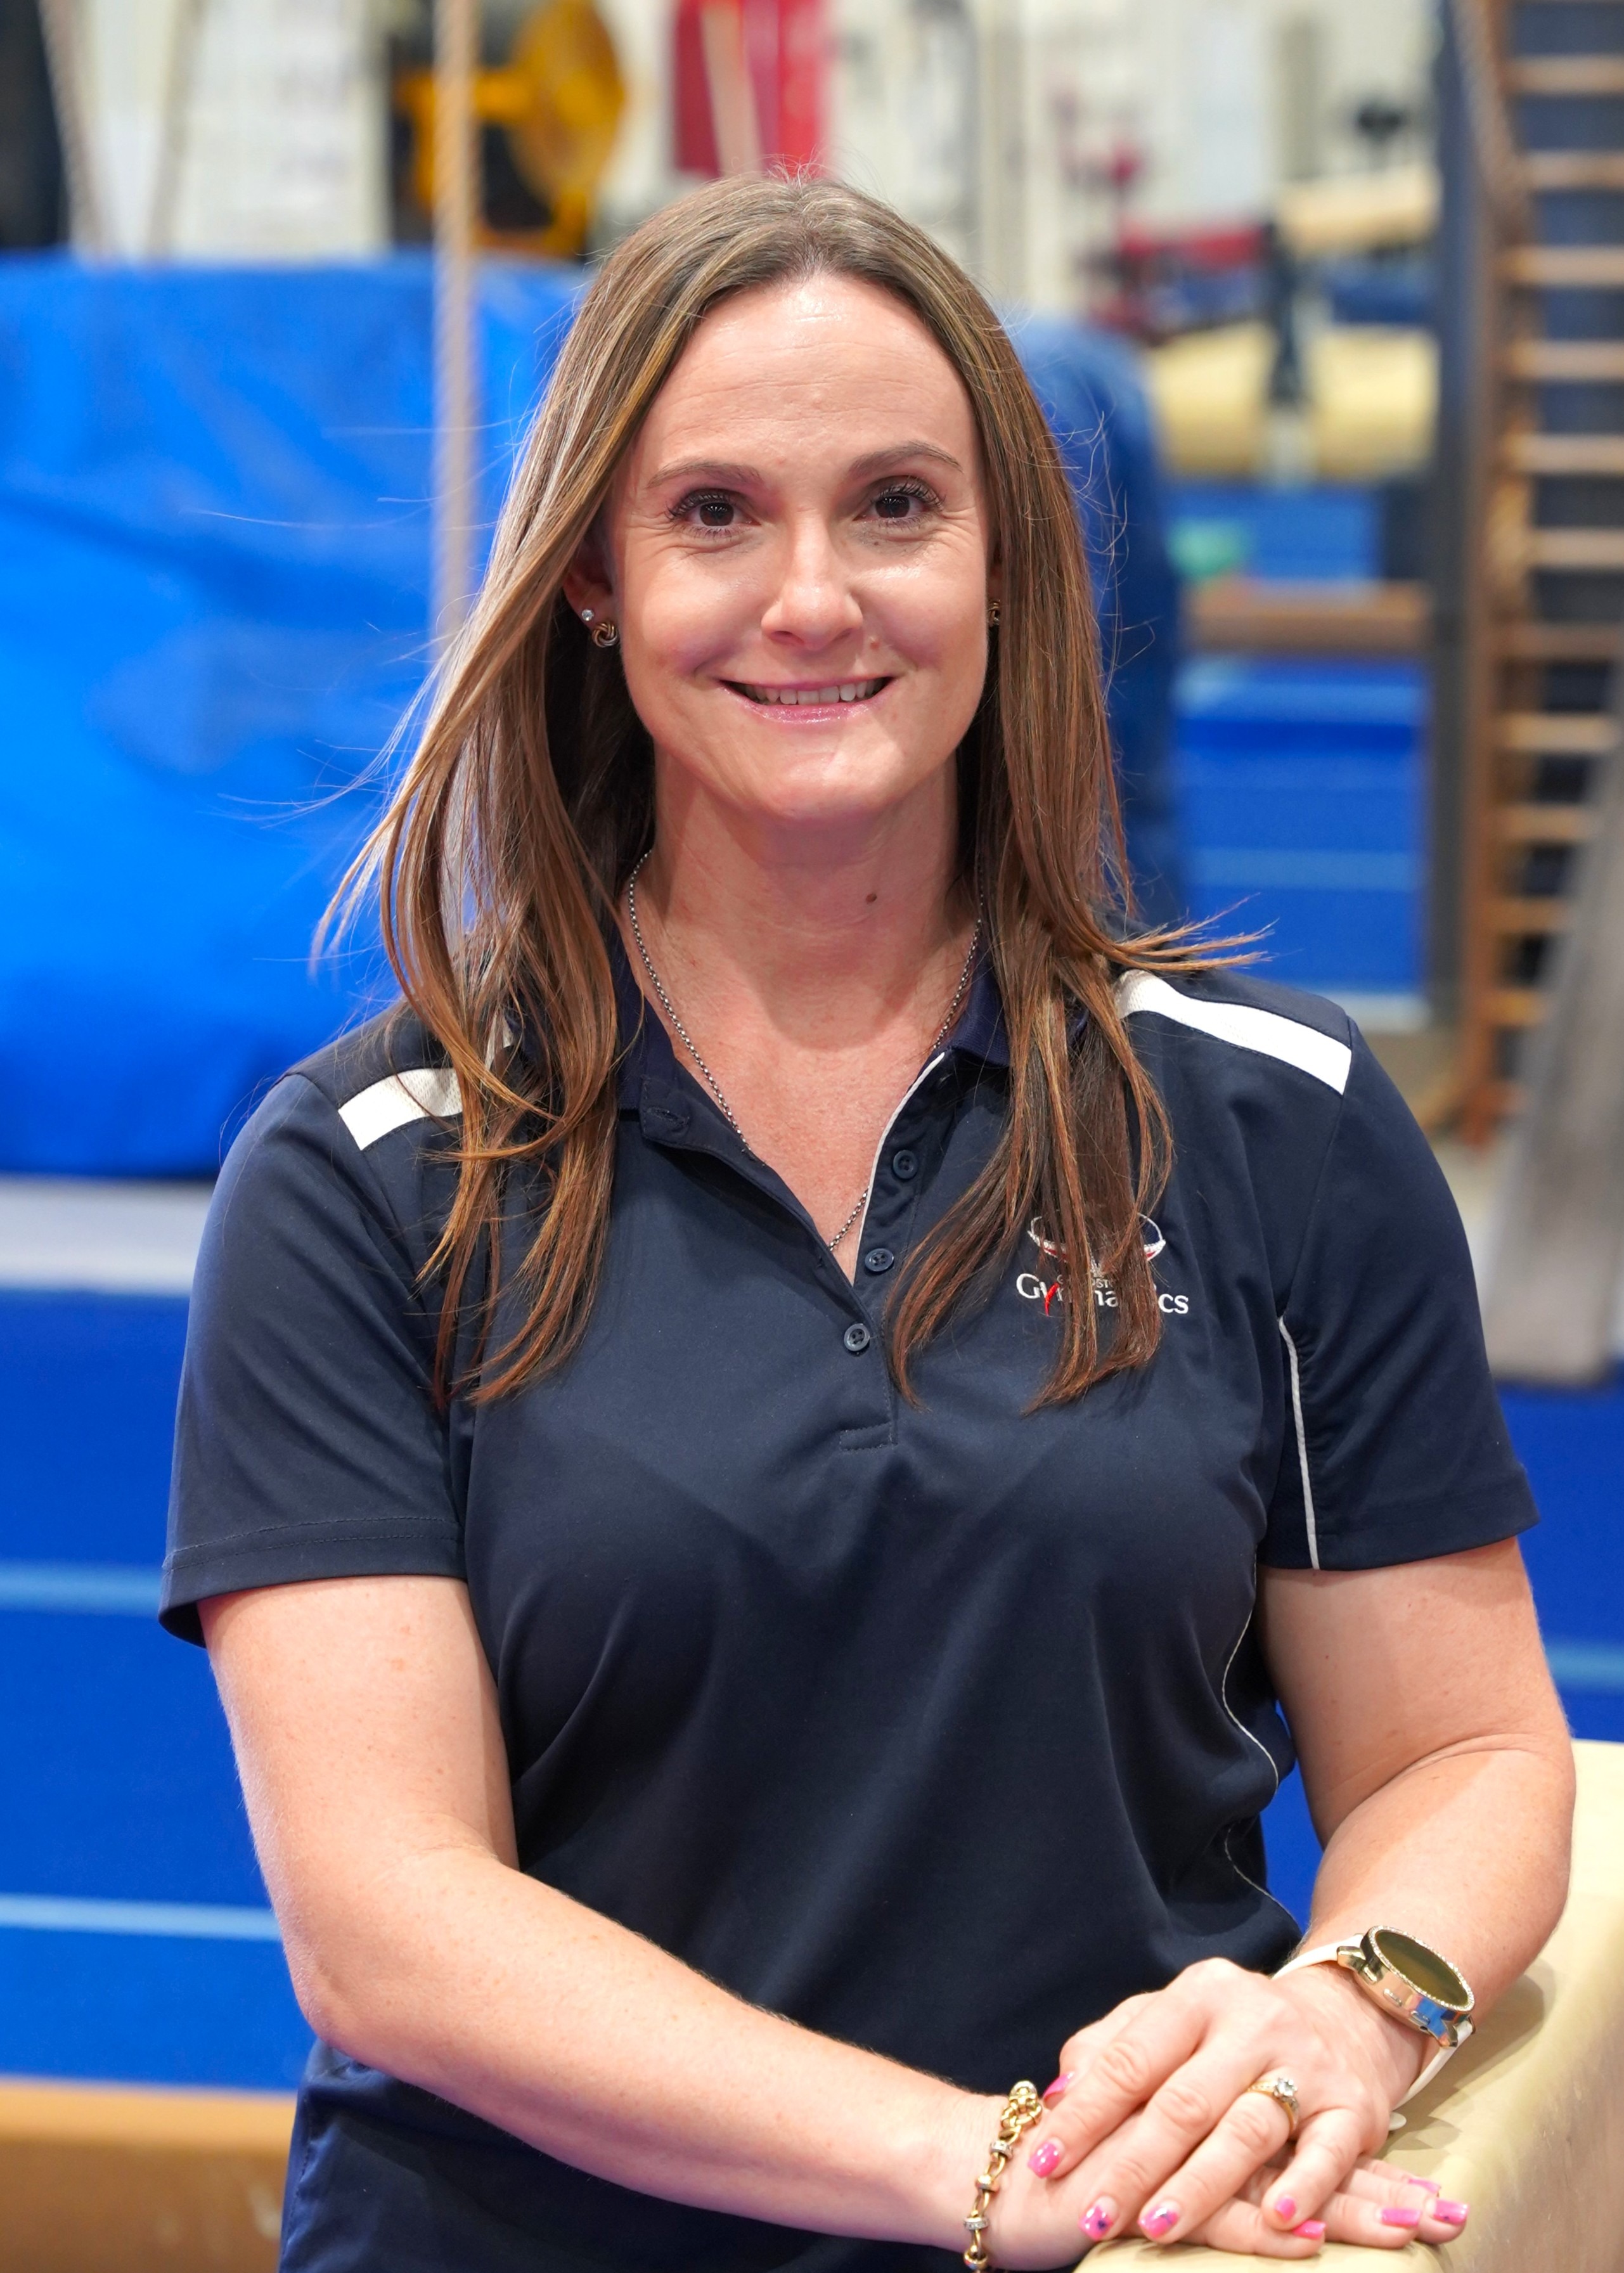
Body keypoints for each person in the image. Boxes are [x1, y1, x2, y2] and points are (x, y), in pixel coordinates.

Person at [162, 176, 1573, 2273]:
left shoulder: (1269, 1121)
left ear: (1004, 560)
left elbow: (1458, 1745)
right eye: (713, 515)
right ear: (594, 580)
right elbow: (391, 1924)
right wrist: (984, 2166)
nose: (810, 597)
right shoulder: (367, 1178)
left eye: (895, 505)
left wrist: (1348, 2009)